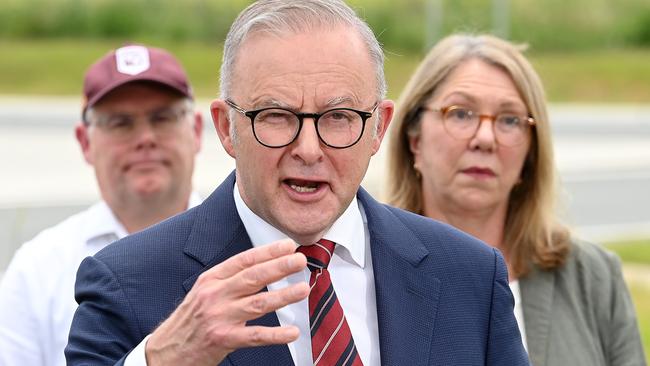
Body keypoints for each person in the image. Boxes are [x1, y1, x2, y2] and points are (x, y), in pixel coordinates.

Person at [65, 2, 529, 366]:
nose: (309, 148)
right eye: (276, 116)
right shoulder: (125, 284)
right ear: (226, 128)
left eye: (340, 117)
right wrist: (163, 360)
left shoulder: (470, 277)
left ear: (378, 128)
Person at [386, 33, 646, 366]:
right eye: (461, 113)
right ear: (414, 139)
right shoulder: (369, 271)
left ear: (530, 152)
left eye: (509, 120)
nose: (485, 138)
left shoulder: (592, 276)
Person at [0, 44, 203, 366]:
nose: (145, 138)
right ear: (84, 142)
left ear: (196, 130)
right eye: (121, 123)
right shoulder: (37, 270)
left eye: (162, 118)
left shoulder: (249, 246)